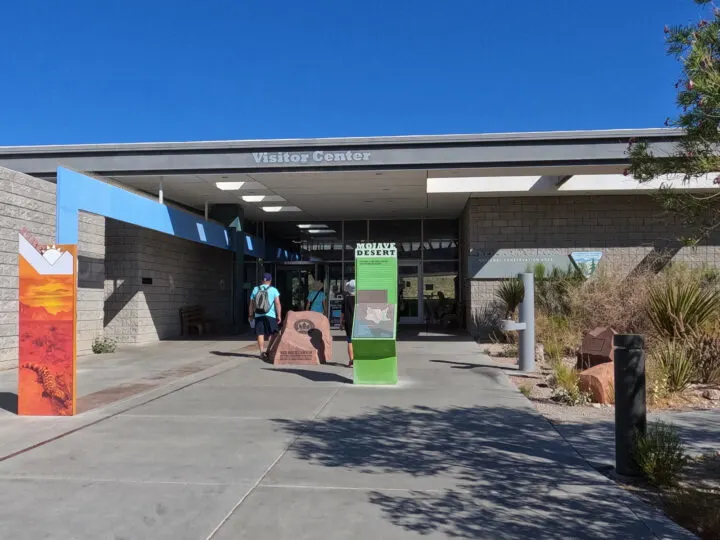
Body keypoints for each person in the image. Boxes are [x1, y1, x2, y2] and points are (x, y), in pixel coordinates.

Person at [249, 273, 281, 360]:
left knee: (260, 333)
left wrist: (251, 314)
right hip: (270, 315)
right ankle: (268, 350)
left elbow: (251, 303)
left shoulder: (255, 289)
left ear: (262, 281)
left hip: (258, 314)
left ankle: (261, 352)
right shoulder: (274, 290)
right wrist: (279, 315)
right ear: (270, 281)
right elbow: (277, 303)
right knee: (273, 333)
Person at [340, 280, 356, 367]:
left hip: (348, 322)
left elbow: (342, 313)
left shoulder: (345, 299)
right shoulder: (360, 298)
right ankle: (358, 358)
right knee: (358, 341)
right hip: (359, 322)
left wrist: (341, 323)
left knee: (350, 341)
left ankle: (351, 360)